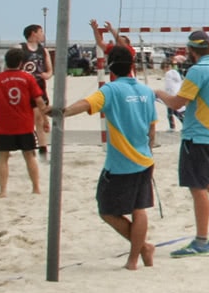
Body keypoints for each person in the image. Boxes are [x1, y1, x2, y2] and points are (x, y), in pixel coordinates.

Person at [61, 47, 159, 270]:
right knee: (139, 208)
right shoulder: (146, 91)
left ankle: (142, 249)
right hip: (145, 159)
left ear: (111, 66)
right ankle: (135, 258)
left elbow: (85, 104)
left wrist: (62, 112)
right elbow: (152, 130)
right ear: (132, 65)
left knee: (106, 210)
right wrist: (149, 151)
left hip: (120, 164)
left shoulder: (111, 90)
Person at [156, 31, 209, 258]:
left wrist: (158, 94)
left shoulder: (197, 71)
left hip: (197, 136)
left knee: (198, 189)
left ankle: (200, 241)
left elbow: (178, 102)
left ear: (190, 50)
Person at [0, 48, 45, 198]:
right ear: (21, 63)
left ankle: (3, 191)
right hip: (25, 124)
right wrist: (45, 118)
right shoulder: (28, 78)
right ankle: (36, 188)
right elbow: (39, 100)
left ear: (6, 61)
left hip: (5, 125)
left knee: (3, 157)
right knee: (29, 156)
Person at [20, 24, 55, 153]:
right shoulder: (20, 48)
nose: (43, 34)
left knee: (39, 117)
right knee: (27, 118)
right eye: (41, 32)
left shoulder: (43, 50)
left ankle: (42, 147)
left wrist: (47, 74)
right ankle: (30, 143)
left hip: (39, 86)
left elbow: (50, 70)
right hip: (23, 87)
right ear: (33, 33)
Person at [160, 55, 186, 133]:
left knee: (173, 113)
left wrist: (166, 96)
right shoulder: (176, 73)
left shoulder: (168, 74)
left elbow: (169, 87)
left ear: (166, 67)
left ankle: (174, 127)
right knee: (175, 112)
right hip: (177, 93)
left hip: (171, 96)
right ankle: (179, 125)